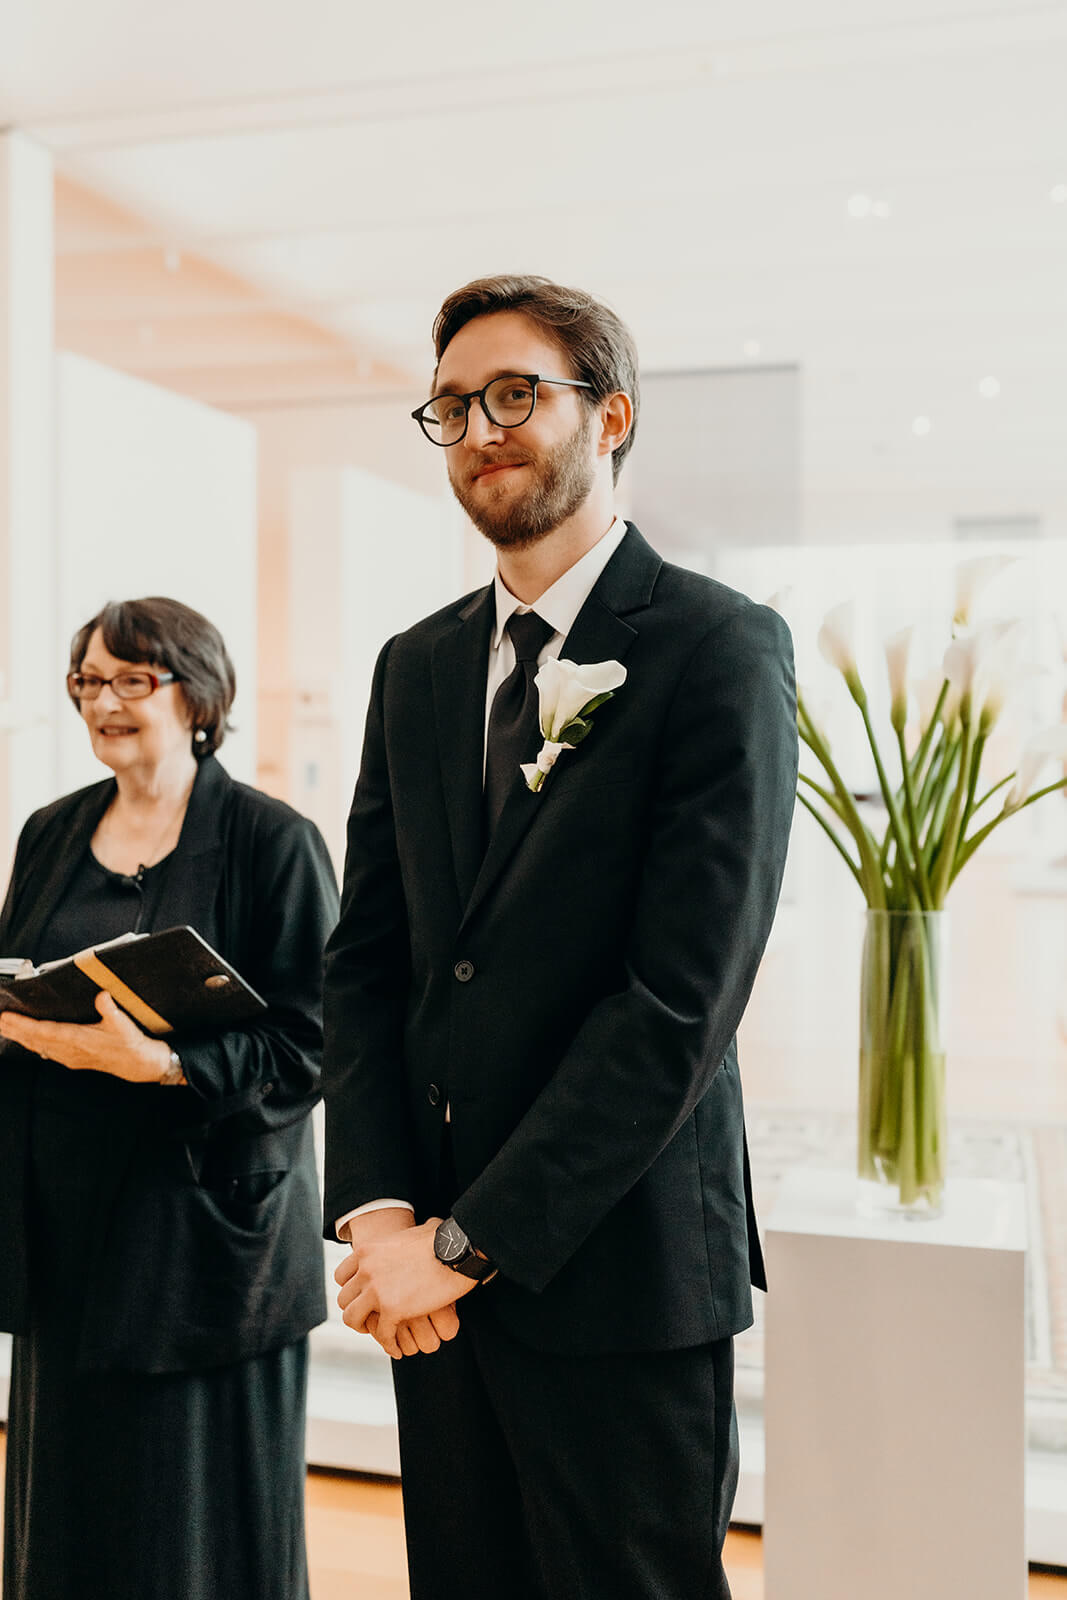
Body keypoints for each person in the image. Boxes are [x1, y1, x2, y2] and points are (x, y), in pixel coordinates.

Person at [322, 275, 798, 1599]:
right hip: (428, 1288)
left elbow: (677, 1007)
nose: (479, 426)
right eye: (452, 405)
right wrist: (377, 1222)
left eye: (515, 393)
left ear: (612, 415)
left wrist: (464, 1247)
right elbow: (368, 961)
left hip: (612, 1275)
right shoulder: (413, 667)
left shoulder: (717, 648)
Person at [0, 597, 338, 1600]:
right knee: (66, 1519)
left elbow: (315, 1040)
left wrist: (163, 1065)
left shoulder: (275, 840)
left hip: (208, 1250)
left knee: (192, 1532)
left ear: (195, 692)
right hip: (67, 1234)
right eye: (87, 681)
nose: (103, 701)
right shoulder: (53, 830)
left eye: (128, 680)